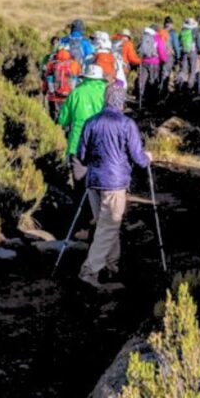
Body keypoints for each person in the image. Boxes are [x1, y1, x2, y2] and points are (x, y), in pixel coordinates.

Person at [76, 83, 152, 288]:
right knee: (109, 226)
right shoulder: (126, 124)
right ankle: (90, 271)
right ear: (122, 100)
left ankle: (112, 265)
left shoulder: (91, 122)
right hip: (115, 182)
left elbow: (81, 156)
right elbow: (138, 157)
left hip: (93, 181)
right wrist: (147, 158)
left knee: (105, 224)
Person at [58, 64, 108, 182]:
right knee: (99, 184)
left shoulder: (75, 93)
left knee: (80, 183)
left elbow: (63, 120)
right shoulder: (106, 93)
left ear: (85, 77)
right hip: (101, 142)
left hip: (77, 143)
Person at [43, 44, 81, 120]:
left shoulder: (51, 64)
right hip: (69, 97)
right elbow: (78, 79)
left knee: (54, 119)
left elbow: (46, 80)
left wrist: (44, 91)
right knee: (68, 118)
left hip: (54, 96)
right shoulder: (74, 64)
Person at [136, 26, 167, 109]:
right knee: (152, 81)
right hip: (154, 62)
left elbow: (139, 48)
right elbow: (161, 49)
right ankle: (151, 101)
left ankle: (140, 98)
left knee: (142, 80)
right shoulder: (157, 37)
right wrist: (164, 59)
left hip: (144, 61)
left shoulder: (144, 36)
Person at [157, 17, 180, 95]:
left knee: (160, 73)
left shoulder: (160, 31)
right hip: (168, 56)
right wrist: (178, 56)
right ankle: (163, 92)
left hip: (158, 56)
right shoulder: (173, 33)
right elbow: (176, 46)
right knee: (166, 74)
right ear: (171, 24)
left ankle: (158, 89)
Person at [179, 18, 199, 88]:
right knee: (192, 69)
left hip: (184, 51)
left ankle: (179, 84)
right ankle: (190, 86)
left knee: (183, 69)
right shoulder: (195, 31)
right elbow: (197, 42)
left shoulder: (183, 30)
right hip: (193, 51)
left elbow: (179, 41)